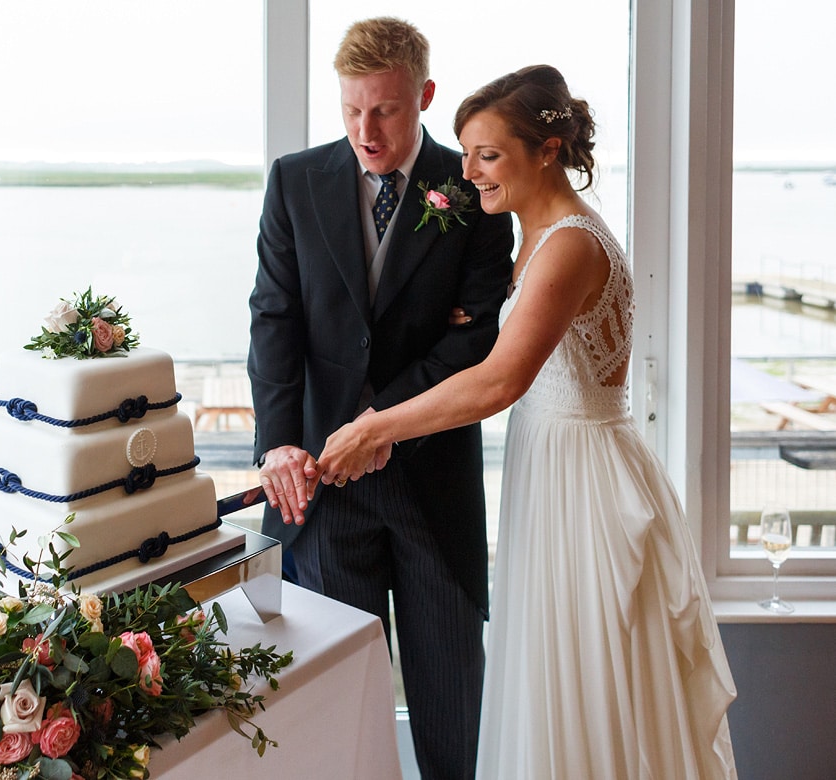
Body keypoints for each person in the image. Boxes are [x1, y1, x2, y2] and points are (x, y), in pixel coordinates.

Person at [315, 64, 738, 779]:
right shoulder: (534, 240)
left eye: (489, 154)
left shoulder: (569, 245)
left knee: (588, 679)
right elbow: (500, 347)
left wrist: (372, 427)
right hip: (554, 468)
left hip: (584, 485)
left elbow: (501, 378)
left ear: (545, 151)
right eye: (468, 152)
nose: (470, 171)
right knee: (555, 673)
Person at [247, 17, 514, 779]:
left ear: (424, 95)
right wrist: (278, 444)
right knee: (341, 716)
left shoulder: (473, 188)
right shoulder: (294, 182)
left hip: (435, 485)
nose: (366, 130)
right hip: (326, 492)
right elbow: (275, 321)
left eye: (386, 110)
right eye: (351, 109)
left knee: (452, 711)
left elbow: (476, 341)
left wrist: (380, 425)